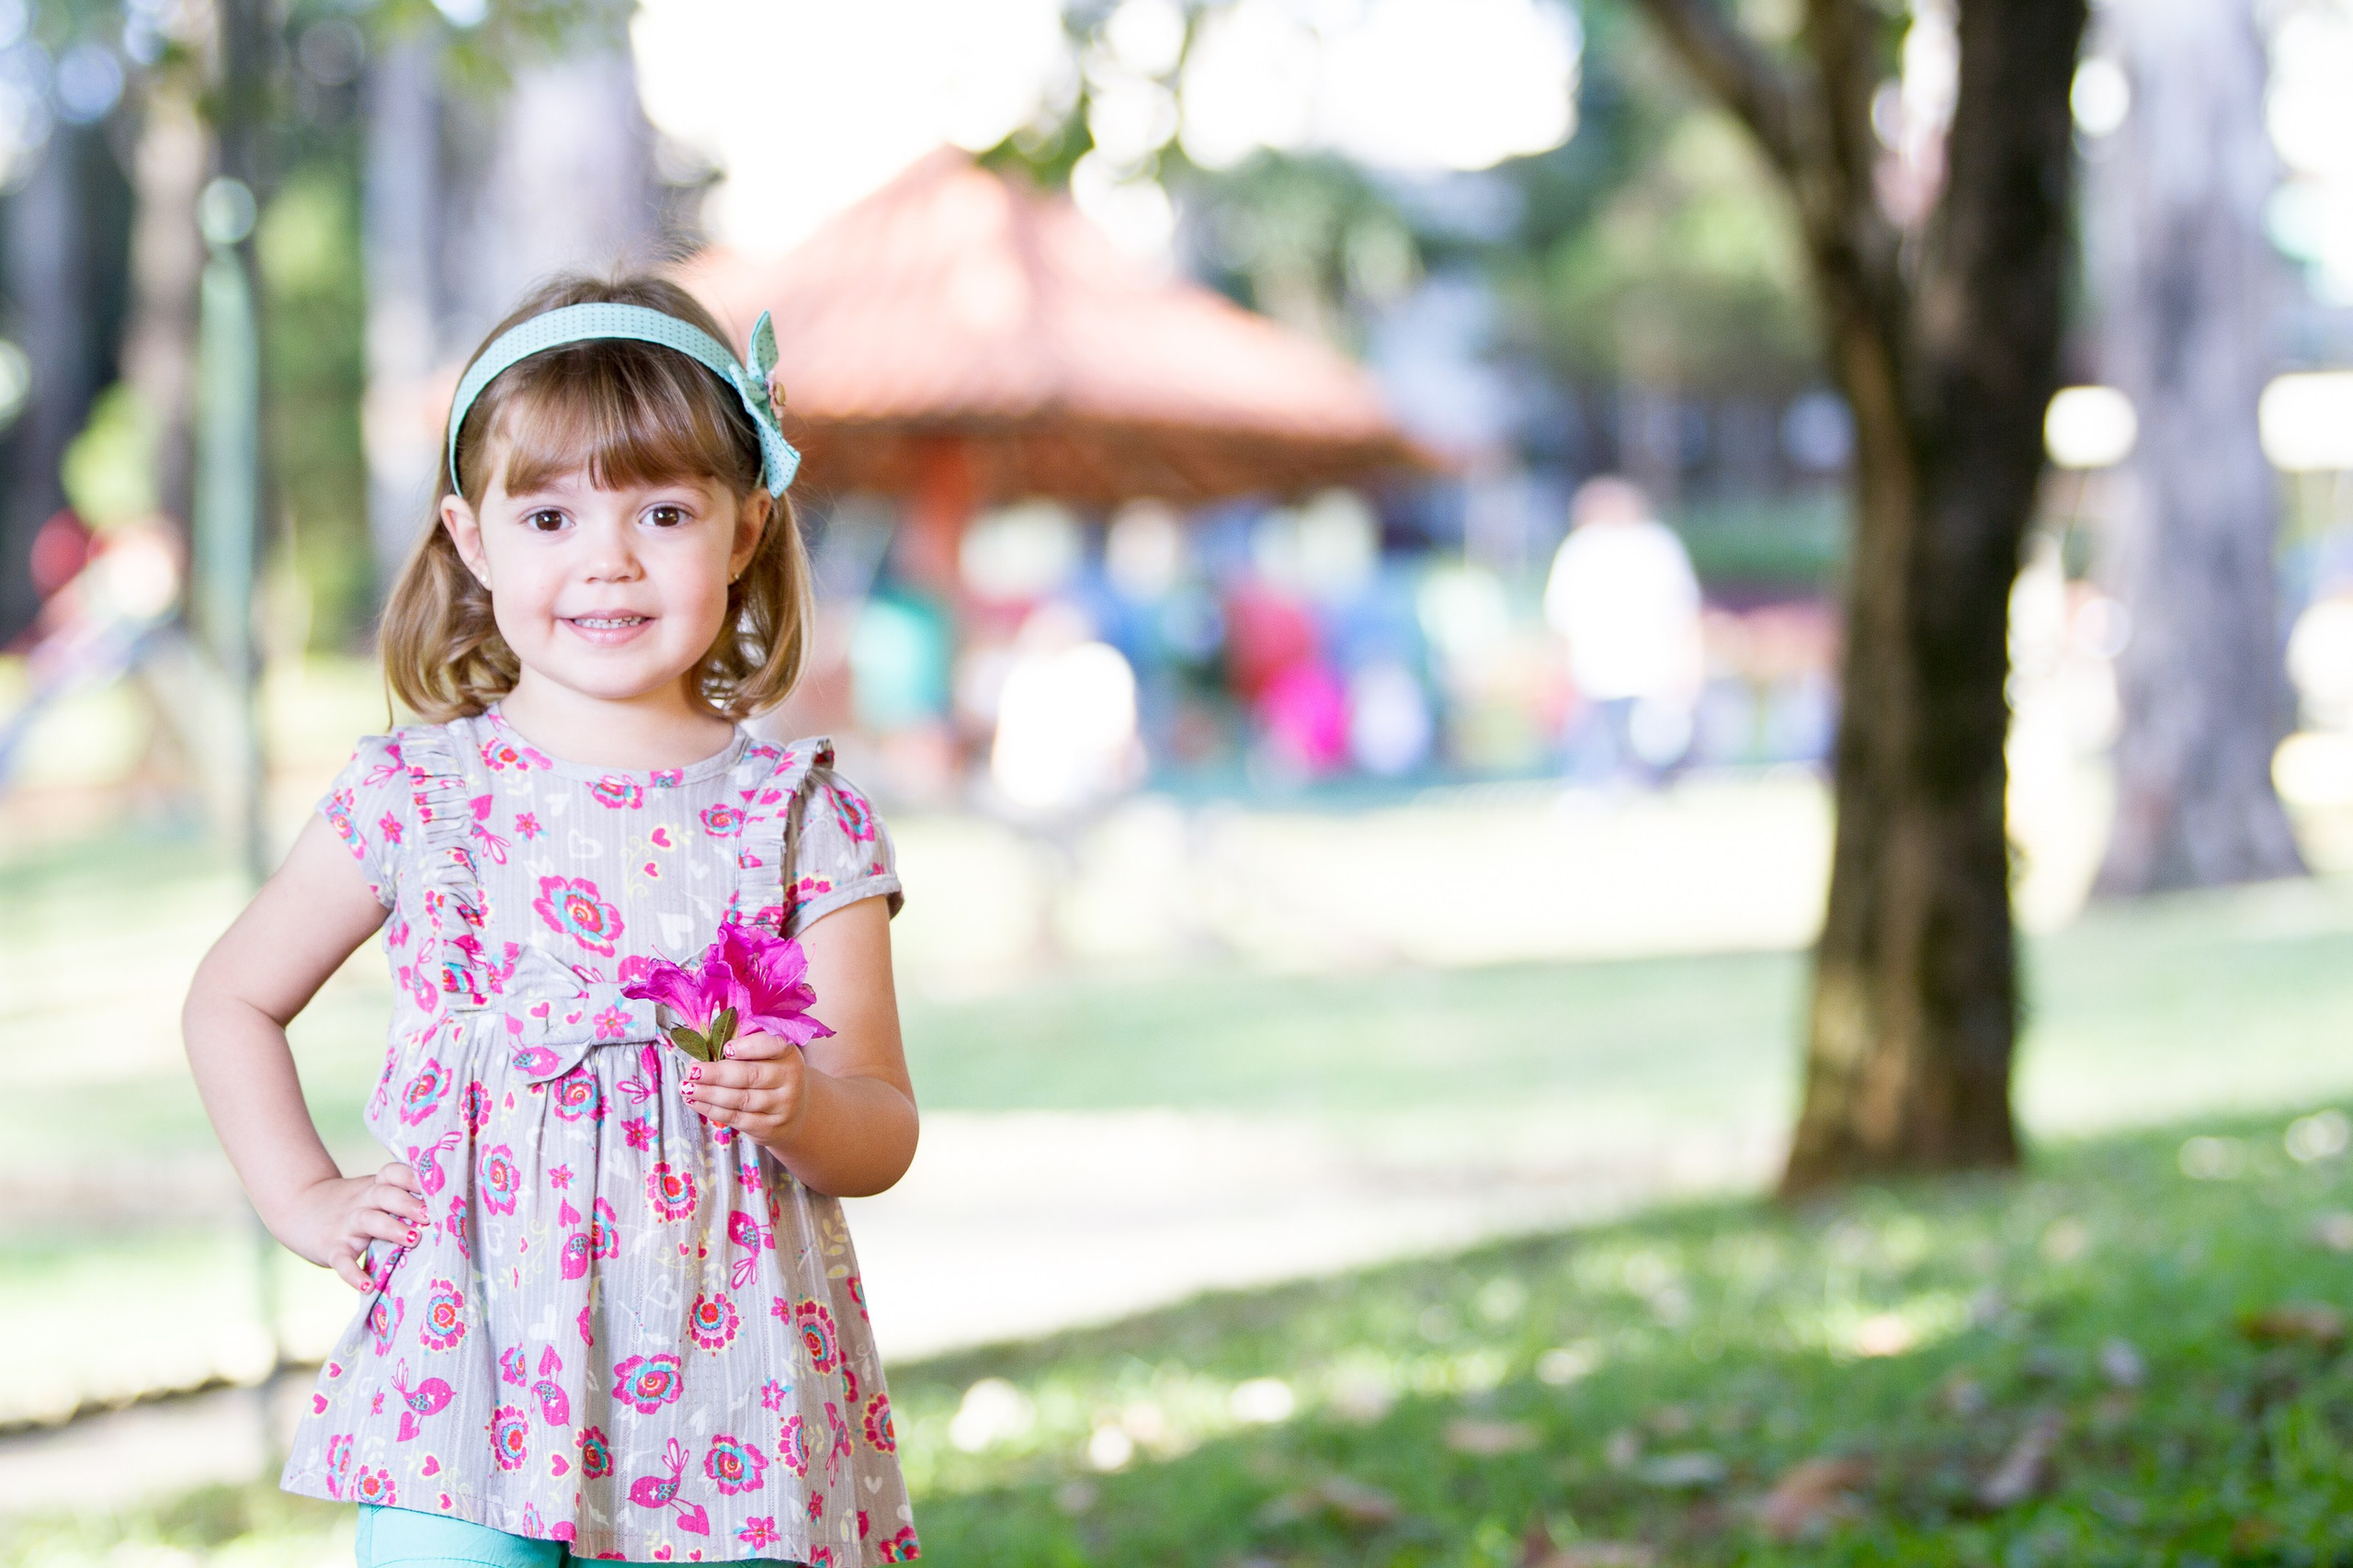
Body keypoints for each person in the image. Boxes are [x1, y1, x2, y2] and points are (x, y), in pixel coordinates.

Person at [182, 275, 922, 1567]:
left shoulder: (800, 814)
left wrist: (801, 1102)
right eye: (549, 512)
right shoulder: (419, 796)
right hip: (464, 1367)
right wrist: (302, 1194)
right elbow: (231, 997)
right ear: (472, 540)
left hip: (730, 1372)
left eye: (664, 509)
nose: (607, 555)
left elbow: (881, 1125)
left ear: (747, 528)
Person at [1541, 475, 1703, 781]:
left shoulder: (1657, 546)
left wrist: (1688, 666)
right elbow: (1561, 621)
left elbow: (1683, 614)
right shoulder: (1581, 550)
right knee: (1597, 762)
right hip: (1596, 676)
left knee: (1653, 756)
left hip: (1652, 673)